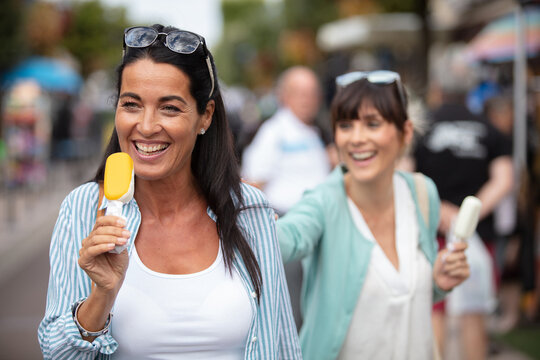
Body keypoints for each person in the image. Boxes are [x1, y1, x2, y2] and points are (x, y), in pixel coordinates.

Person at [37, 24, 301, 360]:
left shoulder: (250, 211)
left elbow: (282, 346)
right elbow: (55, 354)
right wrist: (100, 298)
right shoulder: (84, 210)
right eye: (131, 104)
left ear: (205, 116)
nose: (146, 127)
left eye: (170, 108)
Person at [277, 70, 470, 359]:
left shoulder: (421, 192)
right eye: (345, 125)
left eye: (372, 124)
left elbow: (400, 295)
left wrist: (437, 282)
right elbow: (287, 238)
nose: (356, 138)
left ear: (405, 132)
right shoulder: (323, 202)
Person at [414, 78, 513, 358]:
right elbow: (504, 180)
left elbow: (407, 174)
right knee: (474, 311)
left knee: (434, 308)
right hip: (477, 234)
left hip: (432, 229)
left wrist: (441, 210)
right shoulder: (490, 129)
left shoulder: (421, 128)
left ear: (437, 91)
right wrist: (469, 214)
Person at [241, 66, 332, 328]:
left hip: (316, 227)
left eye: (313, 93)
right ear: (284, 96)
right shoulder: (274, 132)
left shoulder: (314, 132)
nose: (308, 99)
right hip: (287, 228)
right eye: (300, 93)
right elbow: (252, 183)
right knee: (293, 312)